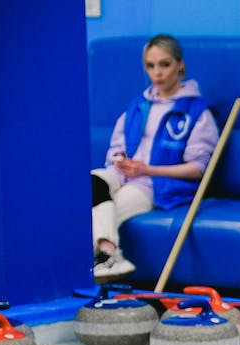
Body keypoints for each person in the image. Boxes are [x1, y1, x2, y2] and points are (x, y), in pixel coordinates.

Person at [90, 34, 219, 279]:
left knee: (97, 214)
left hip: (154, 185)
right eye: (150, 66)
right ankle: (110, 255)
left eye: (165, 64)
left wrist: (147, 170)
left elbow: (197, 170)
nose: (157, 73)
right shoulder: (138, 105)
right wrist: (120, 159)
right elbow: (116, 148)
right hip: (123, 174)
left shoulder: (196, 112)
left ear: (180, 65)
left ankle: (106, 256)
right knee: (91, 180)